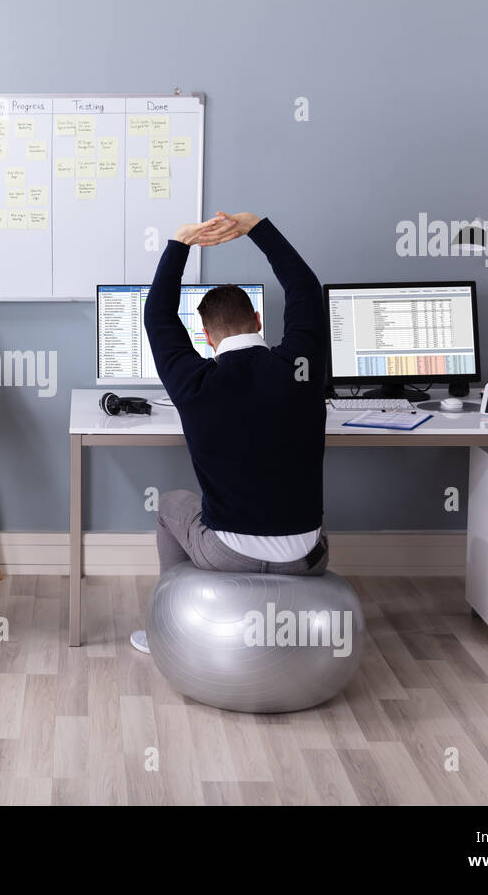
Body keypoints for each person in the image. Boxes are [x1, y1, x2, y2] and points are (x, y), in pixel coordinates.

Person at [130, 211, 329, 654]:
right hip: (305, 559)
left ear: (204, 336)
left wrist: (179, 243)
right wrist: (255, 227)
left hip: (226, 554)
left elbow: (158, 317)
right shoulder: (302, 368)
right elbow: (305, 289)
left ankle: (169, 629)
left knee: (169, 505)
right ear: (258, 320)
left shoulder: (193, 382)